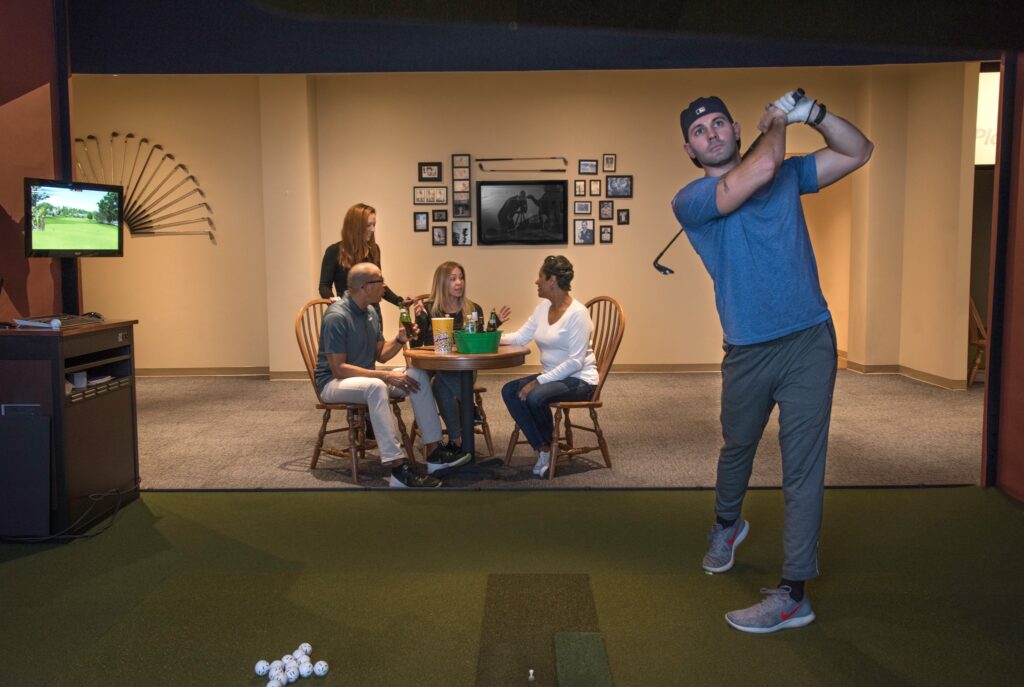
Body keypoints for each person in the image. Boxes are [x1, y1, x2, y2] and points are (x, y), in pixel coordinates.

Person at [672, 91, 873, 633]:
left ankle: (793, 592)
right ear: (690, 150)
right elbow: (759, 169)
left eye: (719, 124)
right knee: (737, 444)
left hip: (809, 338)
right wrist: (780, 120)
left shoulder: (786, 173)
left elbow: (858, 151)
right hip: (747, 349)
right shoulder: (692, 198)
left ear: (736, 129)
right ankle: (727, 524)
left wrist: (817, 115)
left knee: (803, 467)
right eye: (699, 131)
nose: (711, 134)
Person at [313, 263, 472, 486]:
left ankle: (434, 453)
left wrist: (400, 340)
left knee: (417, 373)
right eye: (380, 282)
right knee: (376, 386)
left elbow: (382, 355)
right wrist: (384, 377)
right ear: (364, 287)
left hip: (365, 377)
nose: (385, 287)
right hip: (333, 383)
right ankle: (397, 468)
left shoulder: (370, 311)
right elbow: (339, 368)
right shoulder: (337, 317)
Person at [500, 255, 599, 478]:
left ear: (552, 281)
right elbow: (519, 337)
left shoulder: (578, 314)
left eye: (541, 277)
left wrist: (538, 381)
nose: (537, 282)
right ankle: (543, 447)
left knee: (534, 396)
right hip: (553, 377)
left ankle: (546, 448)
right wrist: (491, 336)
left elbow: (575, 362)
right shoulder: (542, 308)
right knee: (509, 390)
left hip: (580, 379)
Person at [412, 262, 510, 456]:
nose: (459, 283)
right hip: (437, 367)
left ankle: (456, 441)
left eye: (461, 277)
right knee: (439, 378)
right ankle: (469, 409)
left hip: (465, 369)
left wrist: (493, 324)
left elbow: (479, 344)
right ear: (441, 283)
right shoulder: (429, 309)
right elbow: (417, 348)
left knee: (439, 385)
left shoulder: (473, 309)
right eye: (453, 279)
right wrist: (420, 321)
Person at [318, 203, 412, 312]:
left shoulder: (374, 250)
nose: (373, 230)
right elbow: (324, 286)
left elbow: (378, 285)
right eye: (368, 225)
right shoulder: (334, 251)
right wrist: (336, 303)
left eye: (374, 225)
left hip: (373, 313)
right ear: (355, 227)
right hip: (348, 313)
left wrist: (399, 302)